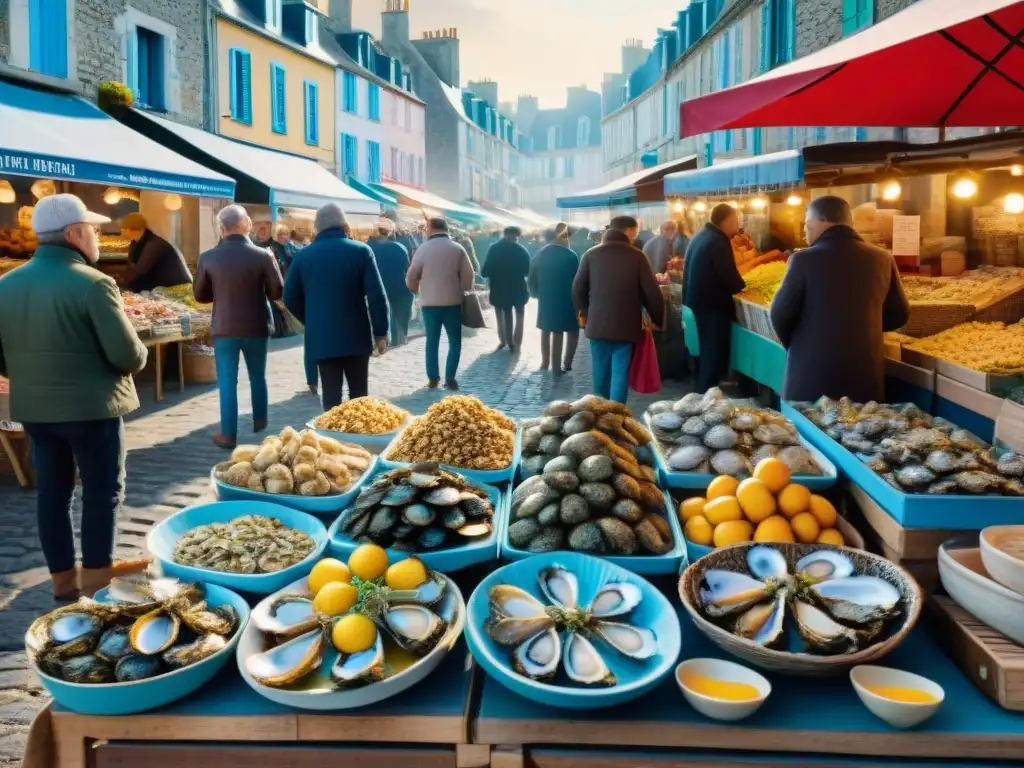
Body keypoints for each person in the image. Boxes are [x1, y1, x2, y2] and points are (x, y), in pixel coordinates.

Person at [0, 194, 149, 599]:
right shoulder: (94, 284)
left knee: (53, 492)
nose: (98, 236)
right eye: (93, 229)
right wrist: (141, 351)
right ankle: (97, 576)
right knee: (102, 491)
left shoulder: (6, 285)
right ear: (73, 234)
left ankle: (63, 579)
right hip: (91, 409)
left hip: (36, 411)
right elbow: (128, 356)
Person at [771, 196, 911, 402]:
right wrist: (862, 328)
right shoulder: (882, 258)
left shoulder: (803, 259)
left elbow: (780, 314)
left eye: (808, 225)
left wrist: (800, 344)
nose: (805, 232)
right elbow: (900, 314)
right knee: (861, 431)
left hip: (811, 375)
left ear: (821, 222)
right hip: (864, 375)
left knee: (810, 432)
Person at [195, 205, 283, 449]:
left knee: (227, 381)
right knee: (258, 375)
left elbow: (200, 296)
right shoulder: (264, 255)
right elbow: (277, 291)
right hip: (256, 325)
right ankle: (260, 420)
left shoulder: (208, 257)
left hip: (224, 327)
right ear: (247, 225)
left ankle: (228, 434)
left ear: (221, 229)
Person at [284, 204, 389, 410]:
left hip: (322, 337)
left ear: (317, 228)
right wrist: (381, 332)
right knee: (359, 397)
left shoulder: (304, 255)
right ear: (344, 225)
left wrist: (310, 319)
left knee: (331, 397)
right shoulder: (361, 251)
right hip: (356, 336)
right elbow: (377, 296)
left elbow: (289, 297)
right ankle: (359, 438)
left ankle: (331, 438)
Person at [572, 215, 665, 403]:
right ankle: (616, 414)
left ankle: (599, 411)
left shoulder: (591, 254)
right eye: (635, 230)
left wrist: (583, 314)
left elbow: (577, 288)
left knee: (600, 371)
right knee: (620, 372)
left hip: (597, 325)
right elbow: (652, 292)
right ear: (629, 231)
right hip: (626, 326)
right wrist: (656, 318)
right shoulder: (637, 256)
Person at [683, 204, 746, 392]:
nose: (738, 225)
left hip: (697, 304)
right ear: (727, 220)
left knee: (703, 352)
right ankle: (707, 394)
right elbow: (727, 275)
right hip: (711, 307)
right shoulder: (718, 240)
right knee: (712, 351)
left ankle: (702, 388)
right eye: (736, 220)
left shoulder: (702, 235)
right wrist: (741, 286)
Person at [407, 217, 475, 389]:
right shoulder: (457, 248)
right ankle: (450, 376)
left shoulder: (422, 249)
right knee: (454, 340)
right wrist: (463, 288)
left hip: (429, 303)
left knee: (432, 341)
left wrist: (416, 289)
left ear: (430, 229)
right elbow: (469, 276)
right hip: (452, 303)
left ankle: (433, 377)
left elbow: (411, 276)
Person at [529, 223, 580, 374]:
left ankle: (546, 363)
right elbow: (578, 280)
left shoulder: (540, 254)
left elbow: (531, 278)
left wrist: (536, 294)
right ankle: (566, 363)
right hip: (568, 299)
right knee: (571, 330)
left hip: (546, 297)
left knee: (547, 329)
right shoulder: (571, 256)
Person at [482, 226, 531, 353]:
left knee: (502, 314)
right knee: (519, 315)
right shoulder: (521, 250)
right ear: (516, 236)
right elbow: (527, 271)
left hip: (499, 288)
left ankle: (504, 340)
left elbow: (485, 270)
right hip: (518, 288)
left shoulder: (494, 249)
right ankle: (515, 342)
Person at [118, 212, 192, 292]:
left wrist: (119, 285)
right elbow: (131, 268)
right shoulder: (135, 243)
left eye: (123, 229)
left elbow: (140, 271)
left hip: (176, 289)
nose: (122, 232)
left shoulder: (154, 244)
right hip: (159, 288)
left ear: (133, 229)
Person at [368, 219, 414, 347]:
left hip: (380, 290)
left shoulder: (371, 249)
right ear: (391, 232)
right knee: (400, 319)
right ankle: (399, 340)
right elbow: (407, 268)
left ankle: (383, 341)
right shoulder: (400, 247)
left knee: (382, 318)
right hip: (400, 288)